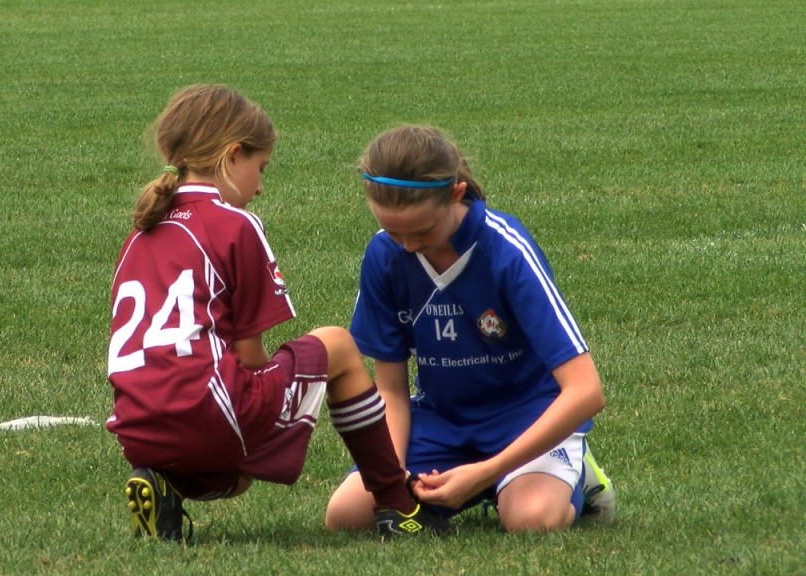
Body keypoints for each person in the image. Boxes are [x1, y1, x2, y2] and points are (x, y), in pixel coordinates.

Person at [105, 86, 451, 543]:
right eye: (260, 168)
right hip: (212, 413)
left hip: (137, 432)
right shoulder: (234, 224)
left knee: (237, 468)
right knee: (338, 347)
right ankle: (397, 504)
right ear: (232, 157)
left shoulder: (140, 234)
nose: (261, 185)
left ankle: (166, 487)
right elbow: (250, 356)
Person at [325, 125, 616, 534]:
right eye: (394, 232)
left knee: (531, 521)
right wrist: (392, 483)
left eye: (422, 231)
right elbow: (390, 389)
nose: (407, 246)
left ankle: (579, 473)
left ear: (456, 194)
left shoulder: (506, 250)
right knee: (347, 517)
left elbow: (586, 391)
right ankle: (476, 479)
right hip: (442, 423)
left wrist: (484, 472)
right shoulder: (384, 256)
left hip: (526, 418)